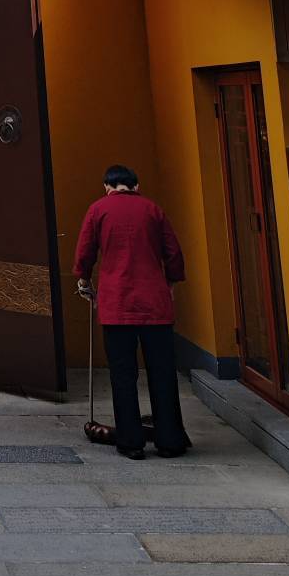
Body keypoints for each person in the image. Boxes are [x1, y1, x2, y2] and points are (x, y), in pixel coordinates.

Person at [73, 165, 189, 461]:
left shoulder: (98, 210)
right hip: (155, 305)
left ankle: (131, 442)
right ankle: (170, 440)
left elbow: (85, 252)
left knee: (123, 375)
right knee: (162, 373)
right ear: (136, 186)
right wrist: (171, 282)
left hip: (117, 304)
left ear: (107, 187)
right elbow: (173, 253)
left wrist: (83, 280)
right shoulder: (153, 209)